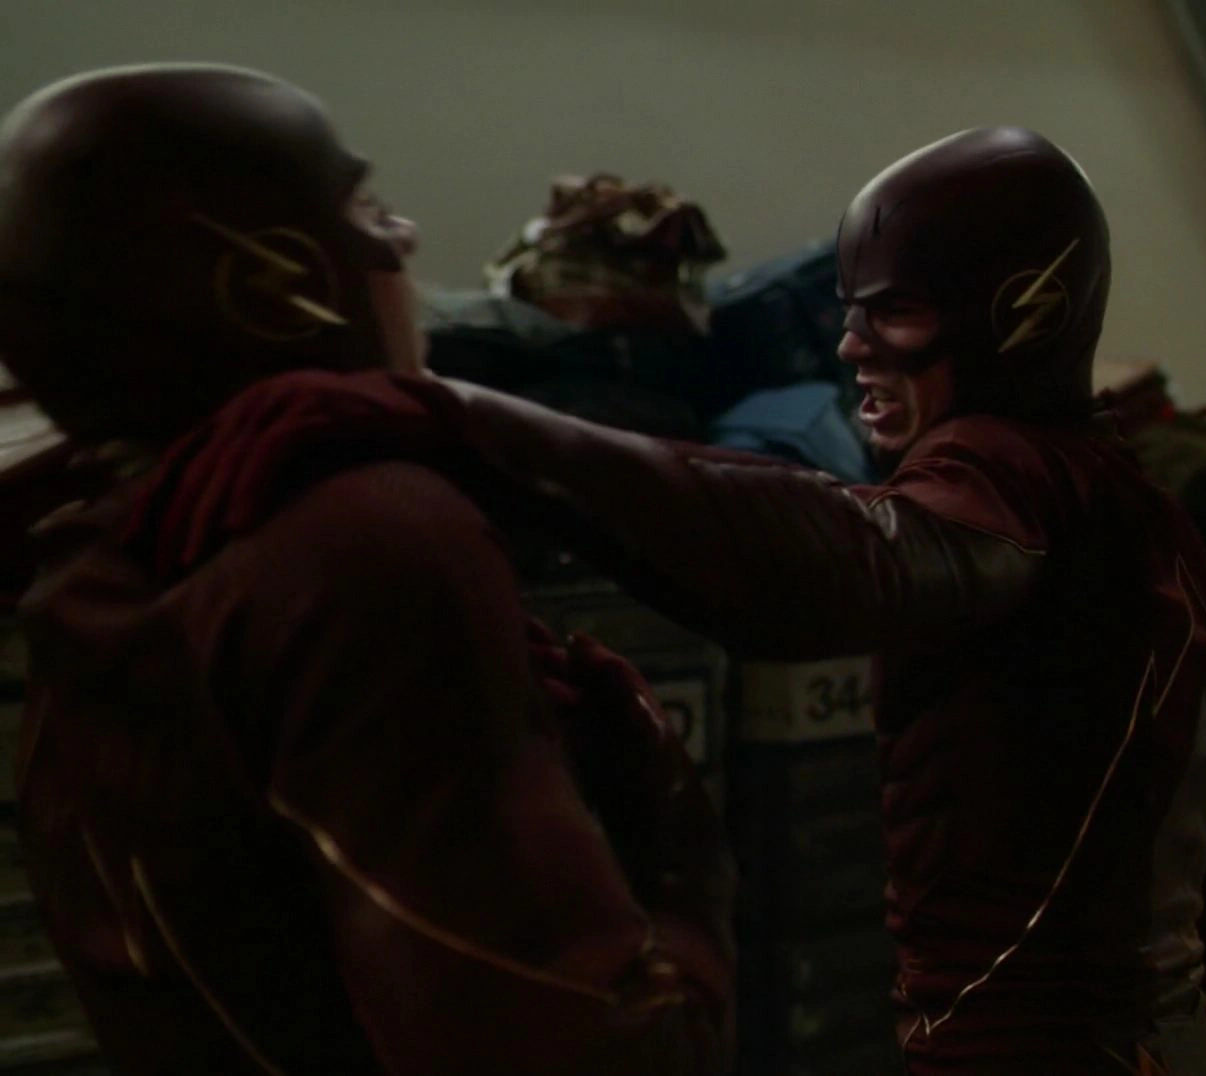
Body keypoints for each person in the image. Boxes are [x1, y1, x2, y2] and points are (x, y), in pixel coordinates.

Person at [361, 126, 1206, 1074]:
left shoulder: (1008, 472)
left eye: (897, 313)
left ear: (1023, 314)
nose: (851, 346)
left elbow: (848, 567)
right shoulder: (1140, 508)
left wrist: (470, 428)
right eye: (853, 312)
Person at [0, 64, 735, 1076]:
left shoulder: (96, 550)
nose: (404, 236)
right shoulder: (369, 542)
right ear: (269, 281)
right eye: (364, 207)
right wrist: (678, 860)